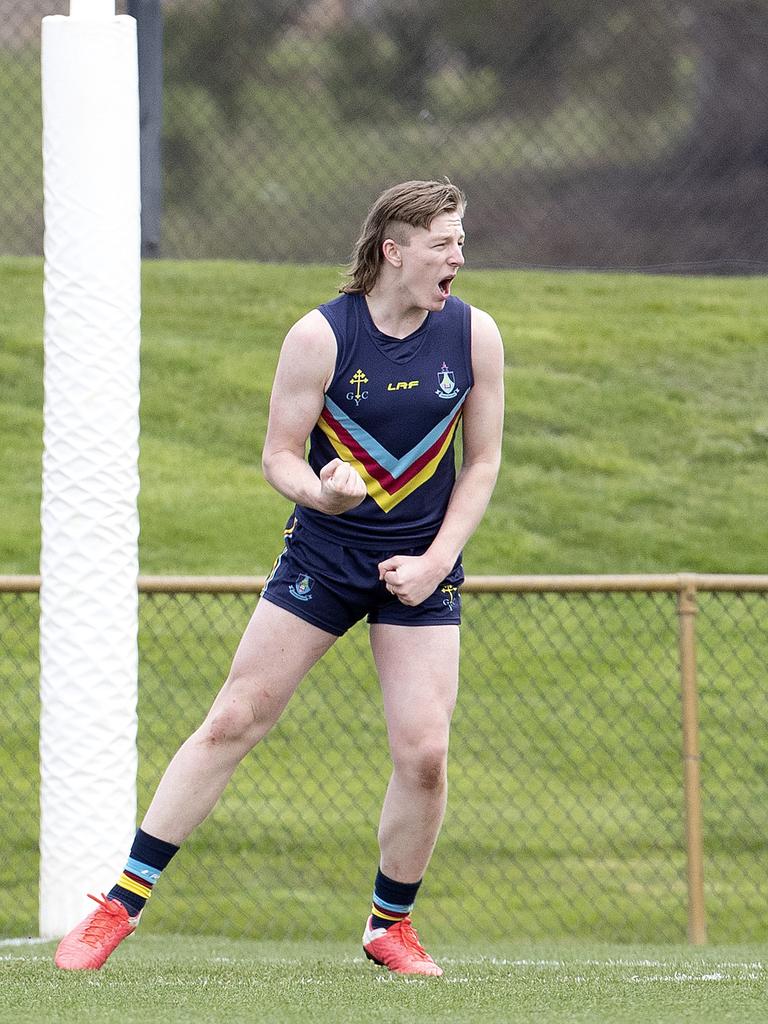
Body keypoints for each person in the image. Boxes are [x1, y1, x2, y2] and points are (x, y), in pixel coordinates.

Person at [54, 179, 505, 976]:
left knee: (426, 754)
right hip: (324, 560)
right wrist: (320, 491)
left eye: (461, 240)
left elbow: (484, 465)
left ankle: (388, 927)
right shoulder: (320, 337)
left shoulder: (473, 335)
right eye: (444, 242)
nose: (458, 257)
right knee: (235, 718)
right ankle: (118, 906)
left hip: (420, 570)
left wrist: (436, 561)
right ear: (394, 252)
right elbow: (278, 457)